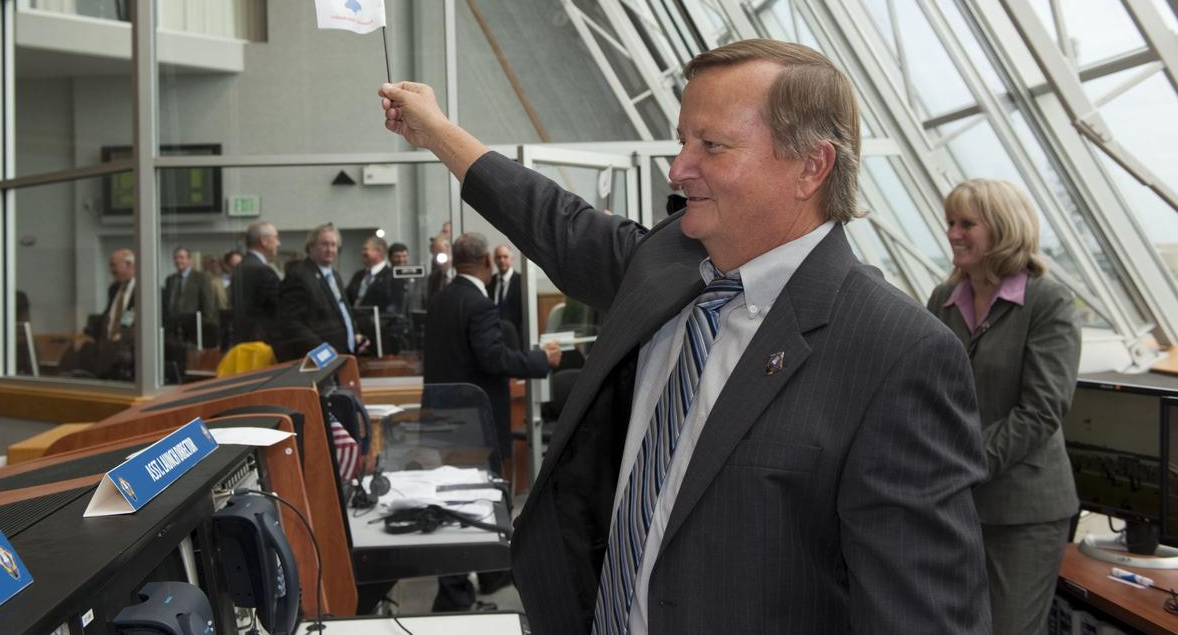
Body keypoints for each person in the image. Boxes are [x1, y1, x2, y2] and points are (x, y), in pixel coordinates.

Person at [379, 38, 989, 634]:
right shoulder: (666, 264)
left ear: (811, 166)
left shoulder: (896, 354)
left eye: (712, 146)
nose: (678, 169)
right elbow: (552, 221)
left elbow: (923, 614)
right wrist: (435, 131)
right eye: (682, 141)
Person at [927, 179, 1081, 635]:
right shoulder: (943, 300)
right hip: (954, 505)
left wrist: (962, 463)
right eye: (950, 222)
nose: (954, 233)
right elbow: (928, 393)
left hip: (1024, 514)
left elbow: (1042, 410)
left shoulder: (1047, 301)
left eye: (967, 223)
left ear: (1003, 228)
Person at [423, 232, 562, 612]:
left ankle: (486, 573)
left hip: (439, 418)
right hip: (471, 422)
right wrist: (539, 361)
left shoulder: (440, 300)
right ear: (486, 262)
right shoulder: (479, 305)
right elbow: (493, 359)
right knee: (469, 503)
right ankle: (456, 597)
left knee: (451, 502)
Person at [279, 224, 369, 358]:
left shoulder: (334, 275)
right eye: (325, 244)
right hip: (320, 359)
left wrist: (355, 333)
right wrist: (320, 349)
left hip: (344, 354)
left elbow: (343, 310)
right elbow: (291, 322)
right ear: (311, 247)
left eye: (334, 245)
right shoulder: (299, 276)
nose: (330, 250)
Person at [76, 248, 136, 380]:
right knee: (79, 349)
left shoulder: (144, 290)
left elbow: (146, 323)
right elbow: (107, 315)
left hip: (128, 347)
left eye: (114, 265)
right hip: (106, 343)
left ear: (129, 265)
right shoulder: (114, 288)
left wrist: (124, 334)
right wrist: (88, 335)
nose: (110, 270)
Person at [230, 221, 281, 349]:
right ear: (264, 241)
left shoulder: (239, 267)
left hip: (243, 341)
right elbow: (280, 307)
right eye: (276, 238)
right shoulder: (262, 270)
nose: (278, 243)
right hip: (262, 343)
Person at [163, 246, 219, 348]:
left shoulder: (200, 277)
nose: (178, 261)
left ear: (189, 260)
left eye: (181, 257)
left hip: (194, 328)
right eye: (175, 258)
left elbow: (208, 303)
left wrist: (205, 325)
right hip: (174, 327)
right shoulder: (170, 280)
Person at [487, 244, 523, 333]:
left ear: (512, 259)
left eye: (505, 257)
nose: (502, 260)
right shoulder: (489, 282)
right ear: (494, 260)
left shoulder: (522, 282)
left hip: (516, 334)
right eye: (498, 257)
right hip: (493, 331)